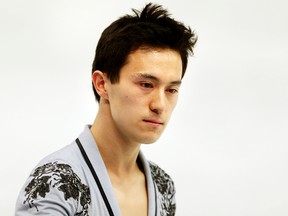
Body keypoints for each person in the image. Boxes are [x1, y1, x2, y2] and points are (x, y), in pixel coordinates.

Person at [15, 2, 197, 216]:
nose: (159, 105)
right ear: (102, 84)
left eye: (171, 90)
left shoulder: (162, 185)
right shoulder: (55, 182)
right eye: (146, 85)